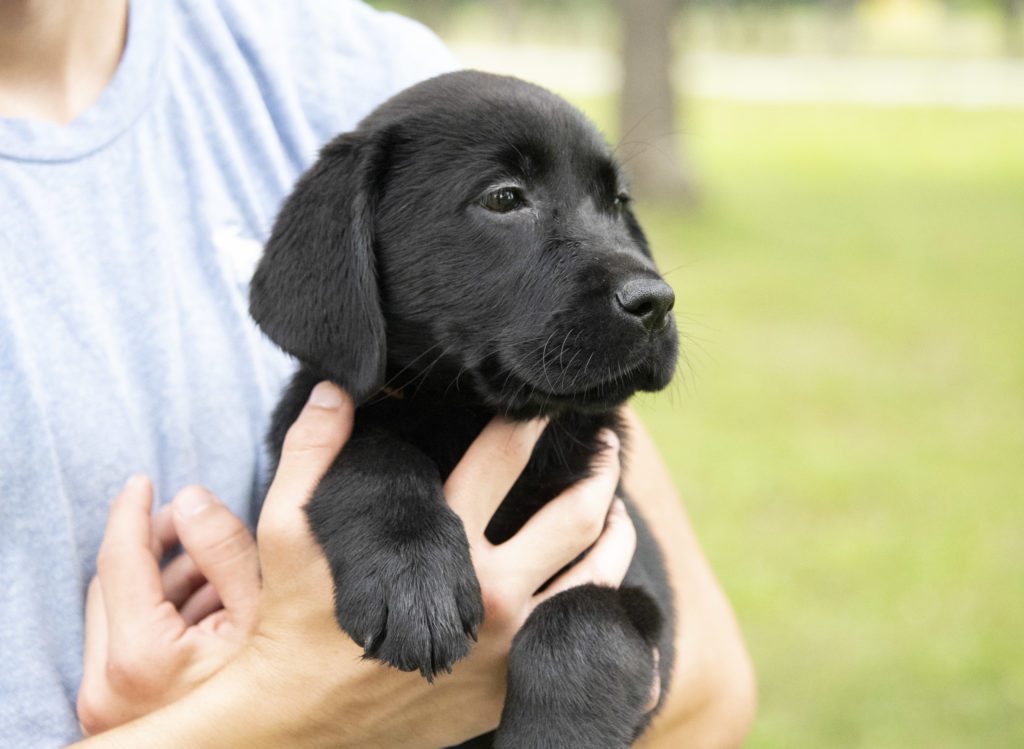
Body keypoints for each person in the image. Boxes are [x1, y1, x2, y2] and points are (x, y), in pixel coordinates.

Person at [0, 1, 756, 747]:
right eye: (506, 199)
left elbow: (704, 687)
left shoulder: (356, 65)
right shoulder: (370, 172)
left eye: (612, 202)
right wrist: (246, 719)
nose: (640, 280)